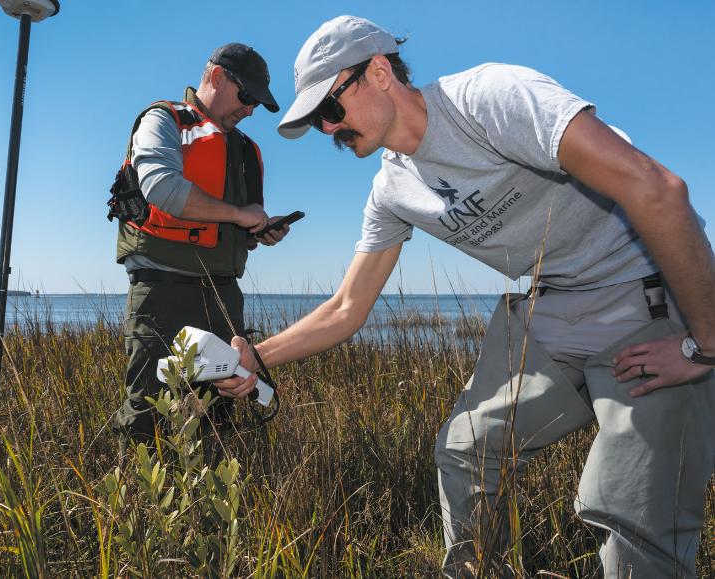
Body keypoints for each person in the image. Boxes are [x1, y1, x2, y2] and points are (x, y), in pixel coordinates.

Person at [214, 15, 715, 578]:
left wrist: (705, 344)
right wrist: (254, 358)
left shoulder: (487, 100)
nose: (329, 130)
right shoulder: (392, 190)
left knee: (629, 509)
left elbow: (658, 190)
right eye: (317, 123)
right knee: (465, 450)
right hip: (552, 306)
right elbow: (347, 308)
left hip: (647, 299)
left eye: (330, 110)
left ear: (378, 73)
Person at [111, 43, 291, 443]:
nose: (250, 110)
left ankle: (210, 505)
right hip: (162, 294)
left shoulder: (246, 151)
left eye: (258, 104)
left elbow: (238, 227)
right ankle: (142, 506)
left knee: (220, 412)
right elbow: (162, 188)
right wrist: (240, 215)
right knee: (149, 413)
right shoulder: (165, 120)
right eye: (247, 97)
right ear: (215, 77)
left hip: (225, 296)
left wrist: (260, 231)